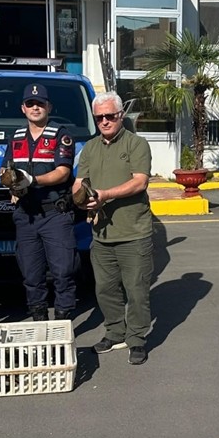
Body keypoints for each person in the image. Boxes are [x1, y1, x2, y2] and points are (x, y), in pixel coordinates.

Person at [73, 92, 154, 366]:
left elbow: (139, 182)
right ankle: (115, 332)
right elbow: (79, 181)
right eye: (100, 117)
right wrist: (81, 197)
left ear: (120, 116)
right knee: (105, 289)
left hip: (134, 232)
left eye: (110, 116)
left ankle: (137, 339)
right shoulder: (90, 148)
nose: (105, 121)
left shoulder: (137, 144)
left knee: (137, 290)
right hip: (102, 233)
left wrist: (105, 194)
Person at [9, 83, 79, 322]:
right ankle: (39, 323)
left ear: (48, 106)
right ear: (23, 108)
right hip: (26, 215)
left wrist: (32, 180)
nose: (35, 107)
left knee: (63, 272)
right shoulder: (16, 137)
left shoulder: (62, 135)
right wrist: (10, 184)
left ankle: (63, 322)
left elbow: (62, 172)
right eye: (30, 104)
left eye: (40, 104)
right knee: (31, 275)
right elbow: (6, 171)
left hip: (54, 214)